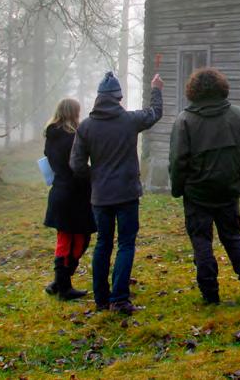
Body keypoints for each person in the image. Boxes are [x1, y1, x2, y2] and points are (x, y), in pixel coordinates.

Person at [70, 71, 163, 314]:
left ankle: (102, 299)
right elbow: (155, 114)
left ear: (99, 98)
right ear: (118, 97)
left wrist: (96, 178)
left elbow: (77, 165)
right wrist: (156, 89)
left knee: (103, 244)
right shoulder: (129, 121)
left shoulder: (86, 128)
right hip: (127, 194)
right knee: (126, 244)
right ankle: (119, 299)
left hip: (100, 196)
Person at [168, 67, 240, 305]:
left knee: (201, 242)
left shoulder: (185, 121)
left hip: (197, 193)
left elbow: (178, 160)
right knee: (233, 237)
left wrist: (178, 188)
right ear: (221, 87)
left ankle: (210, 295)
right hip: (228, 190)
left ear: (193, 90)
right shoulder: (239, 117)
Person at [43, 98, 95, 300]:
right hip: (75, 194)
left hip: (60, 191)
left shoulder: (51, 136)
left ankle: (60, 282)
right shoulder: (72, 137)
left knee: (67, 238)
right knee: (78, 239)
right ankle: (63, 286)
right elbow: (78, 167)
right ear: (74, 113)